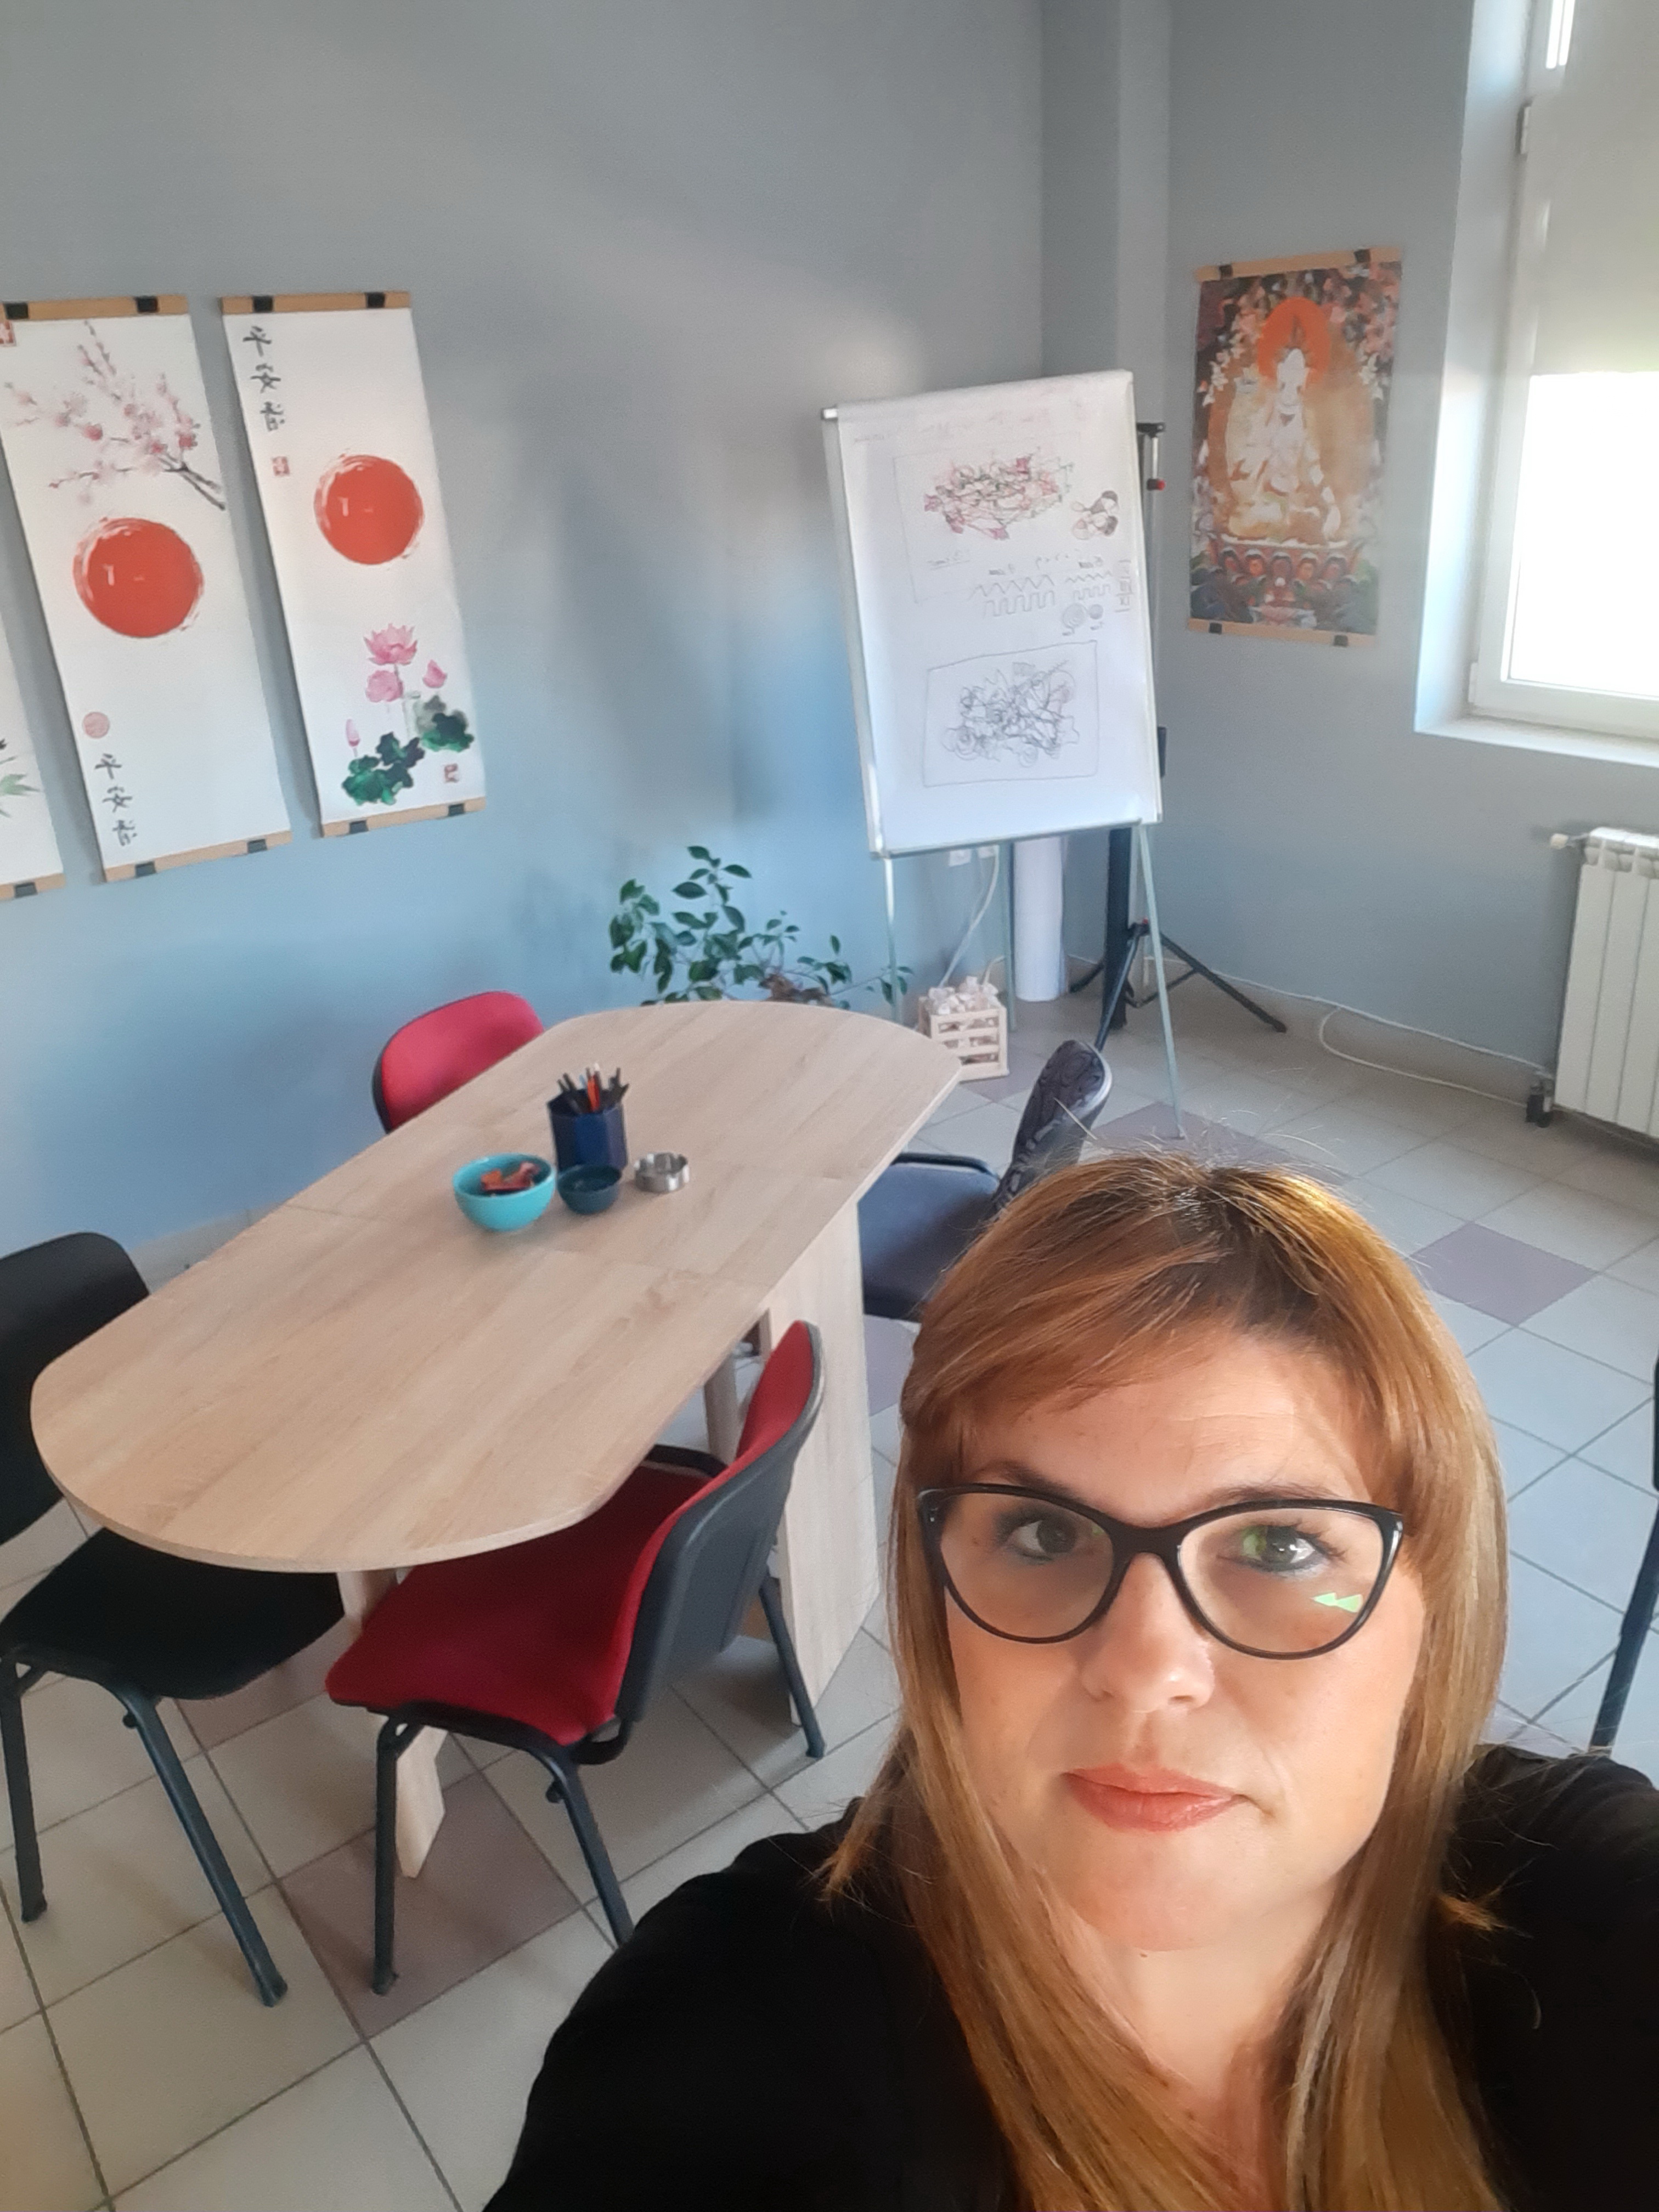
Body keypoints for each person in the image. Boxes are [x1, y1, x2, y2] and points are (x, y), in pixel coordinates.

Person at [488, 1156, 1659, 2212]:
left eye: (1278, 1546)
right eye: (1043, 1533)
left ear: (1433, 1611)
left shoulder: (1576, 1906)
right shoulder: (738, 2022)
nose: (1145, 1672)